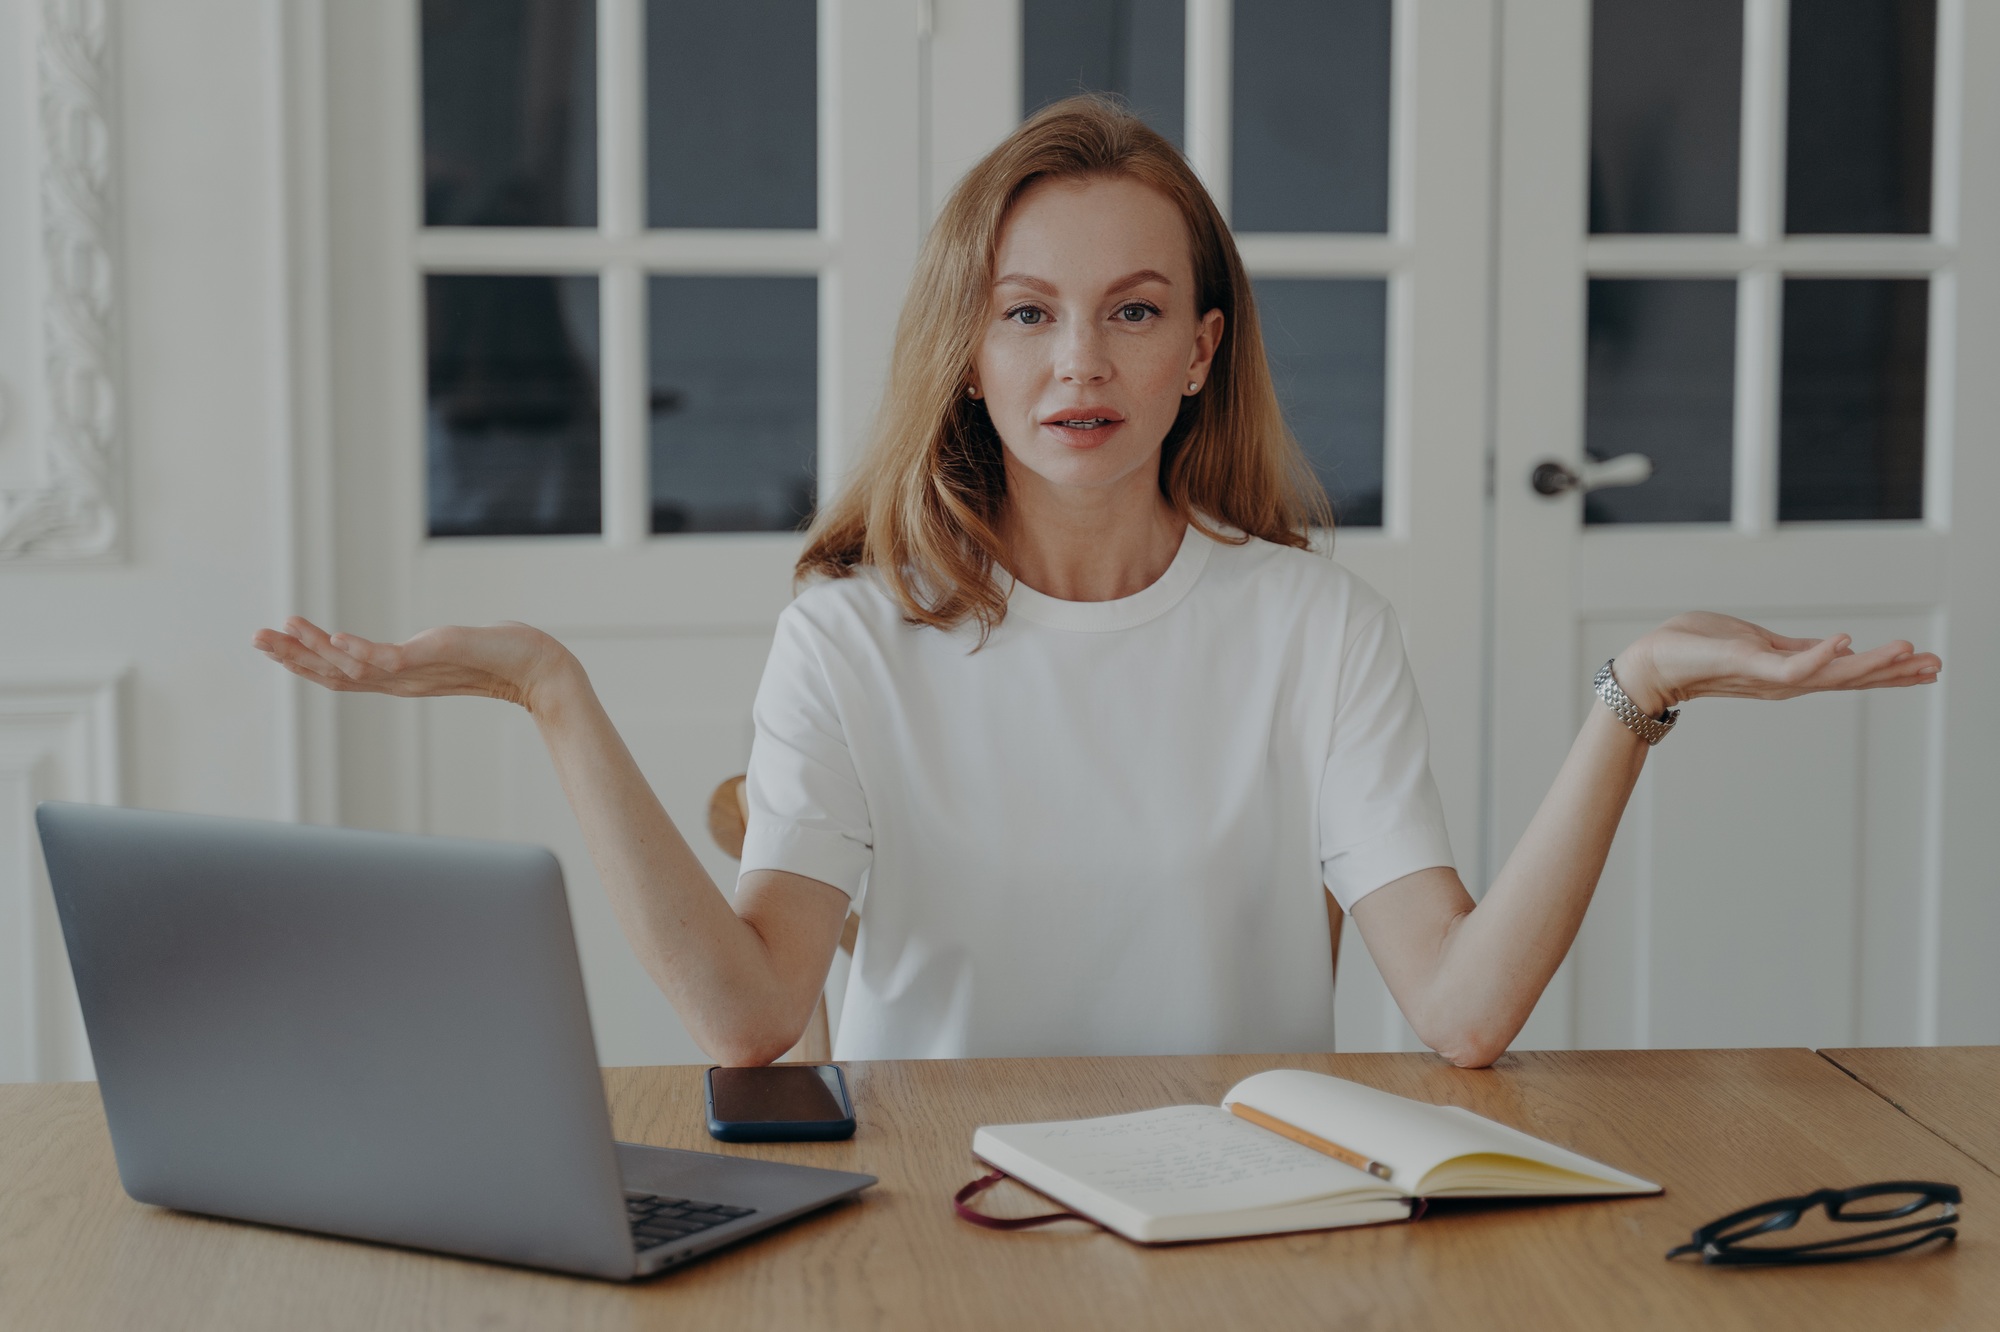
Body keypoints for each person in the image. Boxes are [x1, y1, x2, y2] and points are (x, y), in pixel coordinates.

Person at [255, 98, 1940, 1068]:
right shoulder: (849, 637)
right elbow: (757, 1016)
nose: (1082, 359)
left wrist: (1633, 696)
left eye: (1135, 311)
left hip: (1249, 1234)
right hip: (935, 1224)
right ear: (968, 359)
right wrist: (554, 691)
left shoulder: (1312, 628)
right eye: (1027, 312)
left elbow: (1465, 1013)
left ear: (1203, 352)